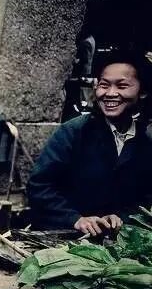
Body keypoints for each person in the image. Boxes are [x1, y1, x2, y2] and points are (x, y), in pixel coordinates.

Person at [27, 49, 152, 236]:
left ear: (142, 92)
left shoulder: (145, 141)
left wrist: (121, 218)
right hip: (64, 238)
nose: (110, 93)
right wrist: (75, 219)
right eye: (104, 85)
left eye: (122, 86)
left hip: (116, 242)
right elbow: (39, 186)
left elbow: (146, 197)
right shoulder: (74, 132)